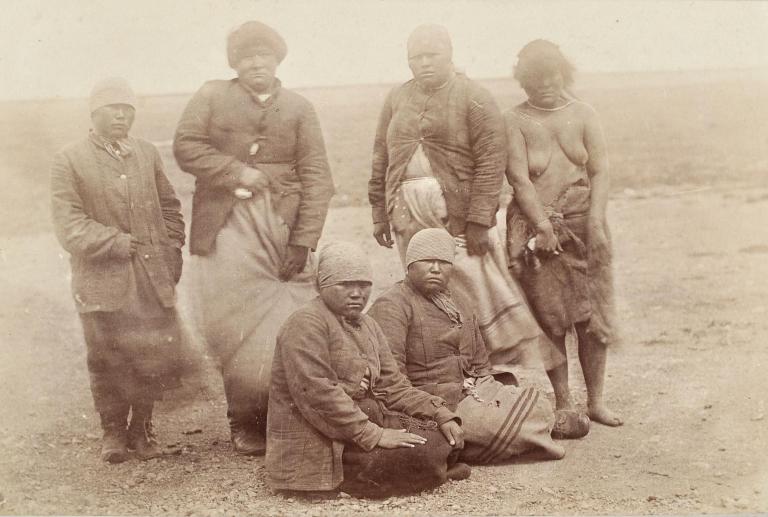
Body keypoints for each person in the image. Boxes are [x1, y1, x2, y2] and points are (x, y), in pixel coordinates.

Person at [173, 21, 335, 455]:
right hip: (226, 227)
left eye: (264, 55)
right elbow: (185, 147)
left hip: (283, 227)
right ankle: (244, 421)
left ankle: (291, 417)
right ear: (235, 63)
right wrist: (236, 172)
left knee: (292, 320)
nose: (256, 63)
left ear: (278, 59)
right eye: (246, 56)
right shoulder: (211, 96)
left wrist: (304, 240)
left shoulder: (299, 107)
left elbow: (318, 177)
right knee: (236, 323)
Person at [368, 24, 546, 372]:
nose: (423, 64)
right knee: (426, 288)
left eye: (431, 55)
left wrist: (480, 220)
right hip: (407, 212)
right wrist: (379, 212)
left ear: (449, 54)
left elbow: (492, 159)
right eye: (415, 58)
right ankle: (445, 373)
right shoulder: (397, 98)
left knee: (476, 289)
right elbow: (381, 156)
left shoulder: (473, 95)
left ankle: (493, 371)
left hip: (460, 214)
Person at [50, 77, 186, 463]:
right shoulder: (69, 159)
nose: (121, 116)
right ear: (94, 114)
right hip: (101, 281)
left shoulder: (145, 153)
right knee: (106, 356)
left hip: (150, 278)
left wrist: (171, 247)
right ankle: (112, 432)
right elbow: (69, 225)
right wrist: (117, 243)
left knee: (150, 354)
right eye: (112, 109)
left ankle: (141, 429)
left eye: (128, 110)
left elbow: (171, 206)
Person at [266, 242, 468, 498]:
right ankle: (432, 471)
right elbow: (318, 395)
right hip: (320, 437)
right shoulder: (306, 323)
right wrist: (375, 434)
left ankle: (433, 467)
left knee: (442, 435)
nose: (356, 294)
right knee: (417, 455)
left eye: (363, 285)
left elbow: (393, 386)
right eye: (345, 285)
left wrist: (440, 412)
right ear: (322, 285)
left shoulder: (368, 324)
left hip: (357, 423)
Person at [504, 39, 623, 430]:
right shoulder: (515, 120)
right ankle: (564, 402)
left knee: (594, 316)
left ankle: (597, 402)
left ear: (563, 74)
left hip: (584, 222)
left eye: (551, 76)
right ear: (524, 81)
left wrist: (596, 220)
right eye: (534, 79)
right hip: (537, 231)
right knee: (551, 320)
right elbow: (519, 179)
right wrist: (540, 225)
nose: (544, 85)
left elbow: (601, 170)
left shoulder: (585, 114)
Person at [368, 228, 566, 462]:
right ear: (409, 265)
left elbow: (480, 362)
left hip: (469, 392)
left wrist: (485, 388)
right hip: (425, 403)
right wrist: (436, 409)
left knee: (534, 402)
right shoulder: (393, 305)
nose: (435, 268)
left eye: (443, 262)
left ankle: (524, 433)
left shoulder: (458, 300)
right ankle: (533, 435)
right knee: (499, 423)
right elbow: (391, 381)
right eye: (426, 261)